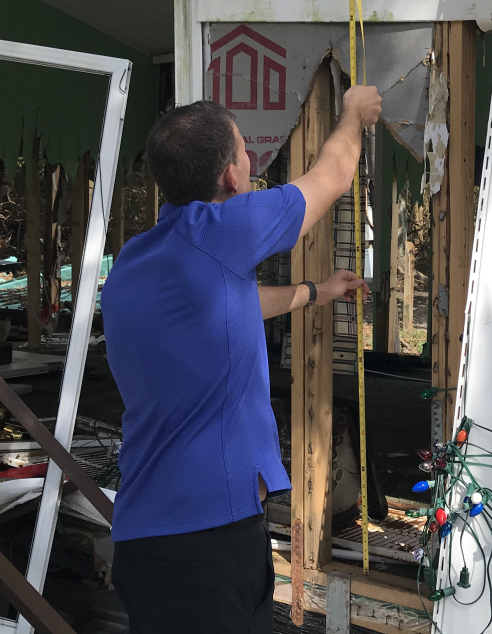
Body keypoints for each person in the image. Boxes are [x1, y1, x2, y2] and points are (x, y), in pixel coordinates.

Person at [102, 84, 383, 633]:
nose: (251, 163)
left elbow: (226, 310)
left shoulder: (138, 262)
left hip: (141, 539)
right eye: (244, 153)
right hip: (208, 543)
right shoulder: (221, 229)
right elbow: (331, 178)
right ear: (232, 176)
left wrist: (313, 292)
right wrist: (354, 114)